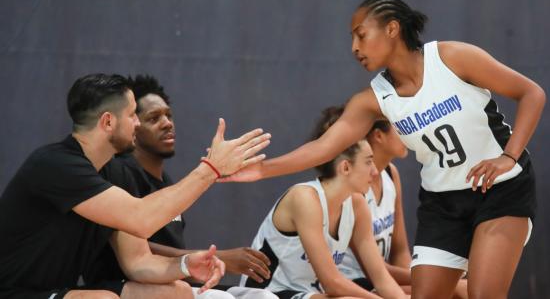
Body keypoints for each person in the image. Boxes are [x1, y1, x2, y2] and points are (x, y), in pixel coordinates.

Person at [224, 0, 545, 299]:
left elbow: (531, 93)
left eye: (361, 35)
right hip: (443, 203)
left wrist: (508, 156)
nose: (354, 47)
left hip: (500, 189)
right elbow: (324, 147)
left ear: (392, 28)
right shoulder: (373, 99)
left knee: (482, 293)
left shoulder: (452, 57)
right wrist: (263, 170)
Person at [0, 73, 271, 299]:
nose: (137, 123)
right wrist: (211, 170)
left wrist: (187, 265)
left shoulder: (114, 171)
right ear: (108, 121)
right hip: (13, 292)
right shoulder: (54, 164)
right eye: (133, 115)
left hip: (57, 291)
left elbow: (139, 262)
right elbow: (141, 219)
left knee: (177, 292)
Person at [91, 74, 277, 299]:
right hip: (129, 286)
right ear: (134, 125)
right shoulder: (119, 172)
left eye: (169, 115)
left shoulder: (167, 182)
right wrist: (219, 257)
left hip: (173, 283)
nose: (167, 123)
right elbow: (139, 252)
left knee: (263, 297)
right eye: (154, 118)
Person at [240, 106, 407, 299]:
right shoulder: (305, 198)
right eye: (369, 162)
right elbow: (332, 283)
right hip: (267, 293)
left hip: (310, 294)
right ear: (345, 167)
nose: (375, 171)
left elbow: (382, 279)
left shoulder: (357, 205)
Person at [332, 106, 467, 298]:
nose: (410, 134)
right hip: (357, 281)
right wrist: (433, 279)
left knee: (452, 289)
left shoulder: (391, 174)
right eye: (401, 128)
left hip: (384, 278)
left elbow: (400, 250)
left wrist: (427, 281)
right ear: (379, 136)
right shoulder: (354, 187)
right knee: (455, 290)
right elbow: (374, 271)